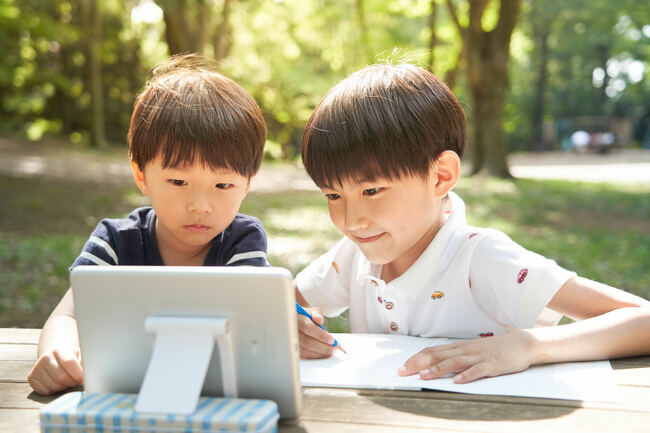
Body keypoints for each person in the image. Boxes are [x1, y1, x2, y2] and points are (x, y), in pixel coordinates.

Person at [295, 62, 650, 383]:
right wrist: (287, 323)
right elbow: (280, 301)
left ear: (440, 177)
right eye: (332, 195)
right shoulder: (354, 255)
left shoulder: (482, 258)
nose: (350, 220)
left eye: (371, 190)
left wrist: (528, 346)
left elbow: (643, 320)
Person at [28, 55, 268, 395]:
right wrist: (57, 355)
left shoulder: (242, 240)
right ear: (141, 175)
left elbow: (254, 327)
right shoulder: (115, 241)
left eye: (223, 186)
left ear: (247, 183)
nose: (200, 206)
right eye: (178, 182)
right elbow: (68, 316)